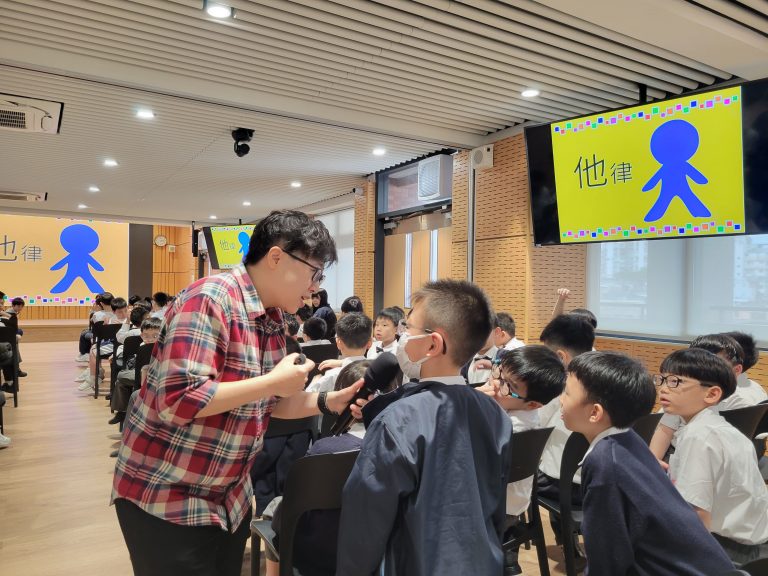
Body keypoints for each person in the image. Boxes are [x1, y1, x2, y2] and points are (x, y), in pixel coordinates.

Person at [111, 210, 364, 576]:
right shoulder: (210, 299)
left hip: (229, 497)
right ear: (276, 257)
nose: (315, 287)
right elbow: (178, 400)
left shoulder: (272, 317)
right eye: (314, 273)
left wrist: (327, 401)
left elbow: (270, 403)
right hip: (168, 495)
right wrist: (272, 382)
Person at [337, 279, 512, 576]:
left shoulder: (398, 421)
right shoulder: (495, 414)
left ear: (433, 344)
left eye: (408, 328)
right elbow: (495, 501)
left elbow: (365, 523)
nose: (403, 335)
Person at [560, 351, 733, 575]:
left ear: (595, 412)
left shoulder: (605, 462)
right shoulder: (627, 439)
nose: (560, 399)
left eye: (566, 393)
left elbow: (606, 559)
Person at [263, 359, 400, 576]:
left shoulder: (323, 450)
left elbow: (292, 513)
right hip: (379, 558)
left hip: (319, 558)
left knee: (275, 509)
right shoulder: (401, 448)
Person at [660, 348, 768, 565]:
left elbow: (697, 516)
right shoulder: (717, 426)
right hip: (753, 546)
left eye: (676, 382)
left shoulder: (698, 436)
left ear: (711, 394)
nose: (663, 388)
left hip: (729, 551)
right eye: (662, 379)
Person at [478, 345, 566, 575]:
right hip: (513, 504)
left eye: (508, 386)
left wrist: (475, 404)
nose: (495, 384)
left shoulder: (506, 427)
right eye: (498, 372)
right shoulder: (521, 413)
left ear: (533, 404)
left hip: (494, 510)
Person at [307, 312, 371, 394]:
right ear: (369, 343)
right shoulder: (377, 372)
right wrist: (342, 363)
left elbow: (308, 395)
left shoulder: (332, 375)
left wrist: (314, 381)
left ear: (338, 343)